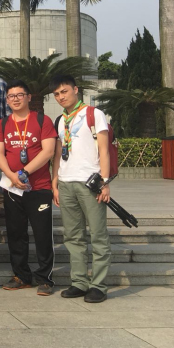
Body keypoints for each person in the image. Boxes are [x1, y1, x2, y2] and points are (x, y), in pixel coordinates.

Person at [51, 75, 112, 303]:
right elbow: (58, 153)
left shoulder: (94, 114)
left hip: (90, 183)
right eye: (57, 94)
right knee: (73, 236)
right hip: (66, 183)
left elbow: (104, 150)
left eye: (64, 91)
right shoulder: (60, 119)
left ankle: (98, 285)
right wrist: (55, 181)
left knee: (98, 235)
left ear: (75, 90)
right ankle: (79, 282)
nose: (61, 97)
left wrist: (105, 182)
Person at [0, 80, 57, 295]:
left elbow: (48, 151)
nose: (15, 99)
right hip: (12, 188)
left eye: (20, 95)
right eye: (11, 96)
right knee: (16, 233)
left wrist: (24, 172)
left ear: (29, 97)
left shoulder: (42, 120)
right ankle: (21, 275)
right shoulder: (2, 124)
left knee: (42, 234)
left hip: (39, 187)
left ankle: (45, 279)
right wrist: (12, 176)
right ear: (6, 100)